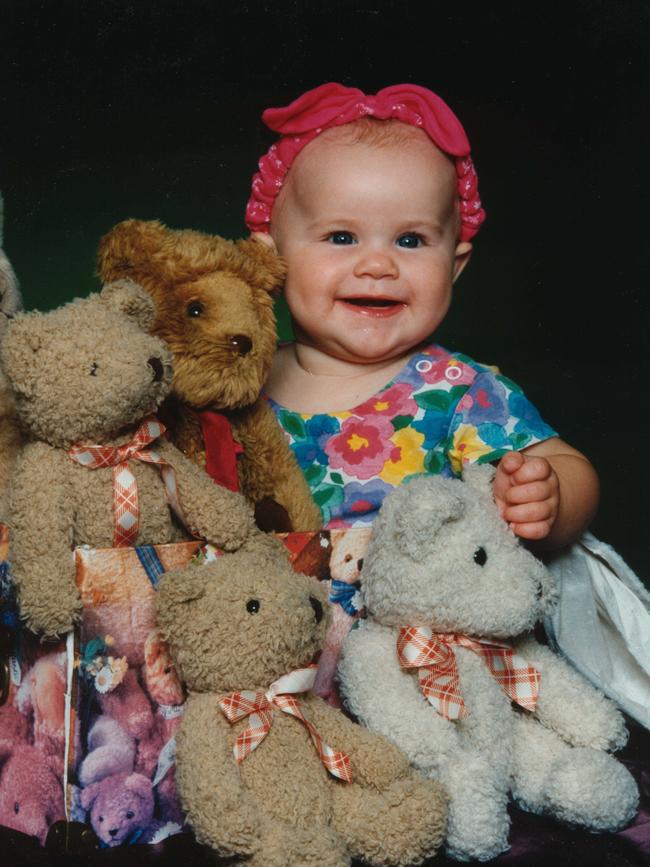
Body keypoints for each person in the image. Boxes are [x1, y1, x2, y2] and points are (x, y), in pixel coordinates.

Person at [246, 82, 598, 551]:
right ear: (270, 259)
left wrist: (547, 496)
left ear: (455, 265)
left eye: (410, 240)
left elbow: (568, 464)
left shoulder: (455, 392)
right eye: (341, 237)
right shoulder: (241, 383)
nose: (377, 265)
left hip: (411, 621)